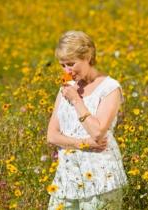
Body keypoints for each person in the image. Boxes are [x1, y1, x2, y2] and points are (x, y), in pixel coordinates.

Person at [46, 30, 128, 209]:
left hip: (101, 180)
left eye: (71, 64)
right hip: (66, 181)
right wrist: (83, 143)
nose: (67, 71)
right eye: (62, 65)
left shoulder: (110, 88)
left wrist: (76, 100)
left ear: (88, 56)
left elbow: (97, 133)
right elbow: (52, 135)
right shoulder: (66, 89)